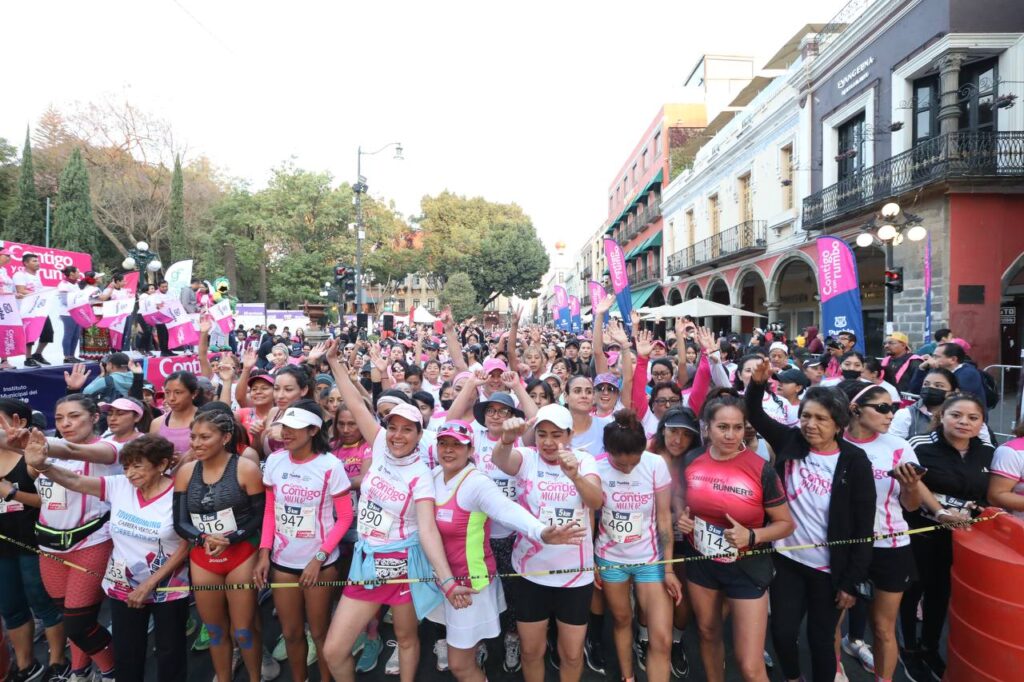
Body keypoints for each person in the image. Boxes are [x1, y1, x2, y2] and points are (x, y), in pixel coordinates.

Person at [321, 340, 473, 682]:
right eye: (393, 427)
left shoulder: (421, 475)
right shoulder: (376, 440)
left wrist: (447, 580)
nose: (398, 435)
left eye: (407, 429)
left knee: (405, 639)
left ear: (420, 435)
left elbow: (428, 529)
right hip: (367, 561)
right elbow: (354, 400)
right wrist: (334, 362)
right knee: (334, 651)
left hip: (404, 561)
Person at [744, 359, 876, 682]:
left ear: (838, 424)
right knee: (783, 631)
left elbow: (863, 527)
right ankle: (792, 678)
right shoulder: (791, 441)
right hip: (787, 559)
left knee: (820, 641)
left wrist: (851, 582)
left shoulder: (854, 462)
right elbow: (755, 414)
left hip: (829, 570)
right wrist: (757, 385)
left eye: (821, 419)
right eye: (805, 416)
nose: (810, 424)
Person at [428, 419, 585, 682]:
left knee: (459, 665)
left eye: (457, 445)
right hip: (440, 583)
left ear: (471, 451)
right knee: (459, 662)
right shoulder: (433, 476)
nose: (448, 450)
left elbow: (506, 510)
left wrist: (540, 532)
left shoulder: (476, 482)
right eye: (443, 443)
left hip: (468, 587)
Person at [25, 433, 190, 682]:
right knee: (127, 653)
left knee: (170, 653)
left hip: (169, 587)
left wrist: (149, 584)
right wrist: (43, 465)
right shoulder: (119, 485)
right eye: (126, 466)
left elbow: (186, 545)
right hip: (122, 586)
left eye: (138, 466)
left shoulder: (179, 493)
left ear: (162, 464)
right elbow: (75, 481)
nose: (130, 473)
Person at [676, 391, 795, 682]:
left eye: (737, 427)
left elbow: (785, 524)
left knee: (749, 664)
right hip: (701, 561)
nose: (730, 435)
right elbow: (684, 501)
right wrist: (683, 520)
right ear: (707, 427)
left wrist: (752, 536)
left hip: (746, 567)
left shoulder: (760, 469)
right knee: (707, 632)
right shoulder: (692, 459)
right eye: (722, 427)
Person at [837, 380, 951, 682]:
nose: (891, 415)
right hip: (844, 545)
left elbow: (911, 506)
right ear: (855, 409)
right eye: (883, 408)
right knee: (832, 621)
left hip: (890, 543)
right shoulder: (832, 443)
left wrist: (911, 486)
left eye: (895, 408)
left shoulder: (899, 446)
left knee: (884, 627)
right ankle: (835, 671)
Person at [491, 404, 603, 682]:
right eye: (542, 434)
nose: (549, 442)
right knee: (531, 652)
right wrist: (506, 439)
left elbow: (596, 501)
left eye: (557, 435)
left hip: (574, 576)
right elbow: (500, 460)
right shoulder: (528, 458)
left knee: (572, 654)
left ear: (570, 435)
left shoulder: (584, 460)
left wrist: (574, 475)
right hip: (531, 572)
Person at [255, 401, 353, 682]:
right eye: (284, 426)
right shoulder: (275, 461)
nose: (286, 433)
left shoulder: (330, 466)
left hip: (319, 565)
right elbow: (270, 510)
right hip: (283, 562)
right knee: (291, 632)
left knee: (320, 632)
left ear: (313, 430)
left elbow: (345, 518)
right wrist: (264, 552)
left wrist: (319, 557)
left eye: (295, 428)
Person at [26, 395, 122, 681]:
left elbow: (69, 448)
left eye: (75, 416)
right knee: (71, 620)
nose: (66, 423)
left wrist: (37, 446)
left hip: (91, 543)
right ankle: (80, 671)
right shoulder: (48, 450)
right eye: (59, 418)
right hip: (49, 546)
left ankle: (112, 671)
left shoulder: (110, 447)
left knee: (79, 623)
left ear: (94, 418)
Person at [901, 394, 994, 682]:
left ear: (981, 424)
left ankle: (929, 647)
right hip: (923, 531)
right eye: (956, 415)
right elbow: (913, 485)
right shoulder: (919, 445)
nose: (964, 422)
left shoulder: (987, 451)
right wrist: (940, 512)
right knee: (914, 588)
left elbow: (988, 490)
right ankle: (909, 649)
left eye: (973, 418)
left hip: (965, 537)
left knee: (941, 592)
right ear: (942, 416)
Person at [173, 409, 268, 682]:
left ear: (225, 437)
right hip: (203, 555)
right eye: (193, 437)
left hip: (240, 553)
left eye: (205, 437)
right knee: (215, 630)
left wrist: (231, 538)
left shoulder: (246, 468)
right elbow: (180, 522)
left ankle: (254, 677)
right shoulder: (186, 472)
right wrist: (203, 539)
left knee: (243, 629)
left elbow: (260, 516)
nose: (196, 443)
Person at [595, 410, 683, 682]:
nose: (627, 469)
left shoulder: (655, 464)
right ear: (607, 451)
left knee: (661, 638)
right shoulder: (595, 467)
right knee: (622, 621)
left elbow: (665, 518)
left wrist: (668, 568)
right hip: (610, 559)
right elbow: (587, 517)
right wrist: (590, 562)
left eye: (633, 463)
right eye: (620, 465)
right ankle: (628, 676)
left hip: (649, 559)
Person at [0, 399, 68, 682]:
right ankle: (26, 664)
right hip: (2, 549)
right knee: (11, 607)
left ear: (18, 423)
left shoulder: (32, 457)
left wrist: (10, 493)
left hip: (33, 543)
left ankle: (57, 660)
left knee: (42, 603)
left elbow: (52, 501)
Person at [15, 253, 53, 367]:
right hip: (28, 310)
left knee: (48, 333)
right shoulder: (20, 275)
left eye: (37, 261)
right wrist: (41, 293)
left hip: (40, 308)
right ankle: (28, 358)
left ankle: (37, 354)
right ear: (26, 263)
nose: (38, 263)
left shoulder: (37, 275)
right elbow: (21, 290)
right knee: (30, 334)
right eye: (34, 261)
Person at [149, 371, 200, 457]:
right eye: (167, 392)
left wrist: (184, 460)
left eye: (178, 392)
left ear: (194, 393)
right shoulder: (157, 423)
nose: (171, 398)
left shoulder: (206, 420)